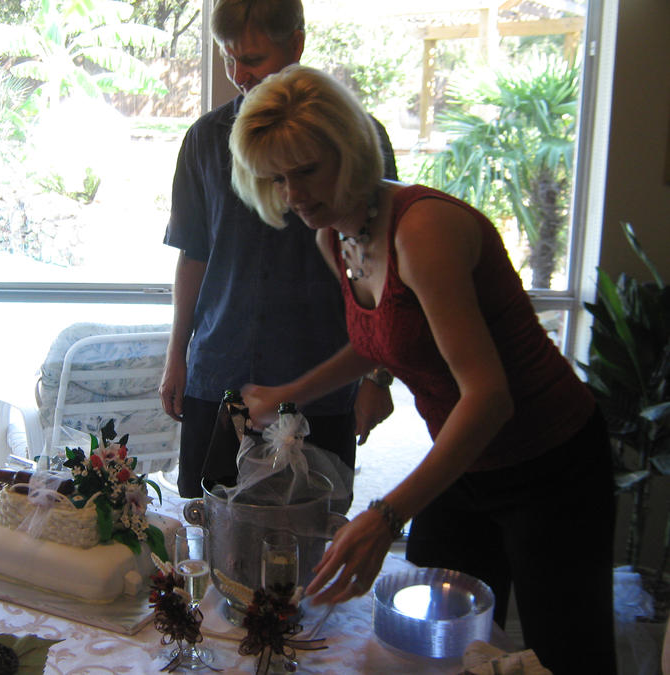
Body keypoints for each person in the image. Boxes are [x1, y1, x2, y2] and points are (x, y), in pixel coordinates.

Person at [229, 64, 616, 675]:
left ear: (349, 151)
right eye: (276, 179)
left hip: (552, 462)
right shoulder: (335, 239)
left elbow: (489, 397)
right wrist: (290, 393)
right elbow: (387, 339)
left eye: (306, 171)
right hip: (468, 460)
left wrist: (385, 515)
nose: (294, 196)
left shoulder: (423, 229)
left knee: (565, 653)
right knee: (433, 639)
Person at [160, 0, 399, 498]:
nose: (238, 75)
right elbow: (194, 256)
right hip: (220, 373)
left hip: (321, 378)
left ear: (296, 43)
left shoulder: (357, 138)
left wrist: (379, 376)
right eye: (227, 58)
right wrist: (176, 356)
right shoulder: (206, 140)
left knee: (311, 532)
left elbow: (383, 273)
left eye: (252, 58)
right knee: (214, 523)